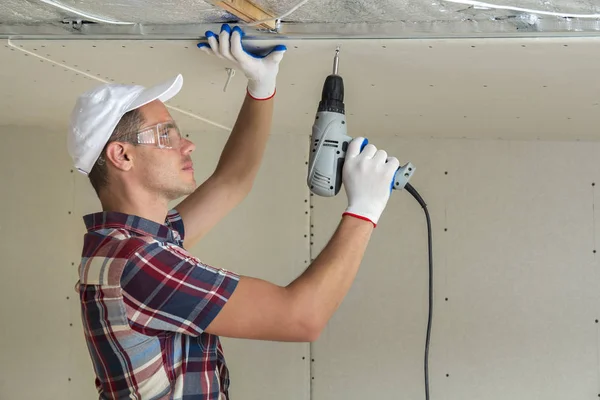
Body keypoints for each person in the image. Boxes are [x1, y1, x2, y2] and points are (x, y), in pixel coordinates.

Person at [67, 24, 399, 400]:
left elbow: (231, 182)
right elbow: (301, 318)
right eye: (166, 135)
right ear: (122, 156)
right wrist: (364, 210)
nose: (187, 145)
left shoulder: (128, 245)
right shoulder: (138, 262)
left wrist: (261, 88)